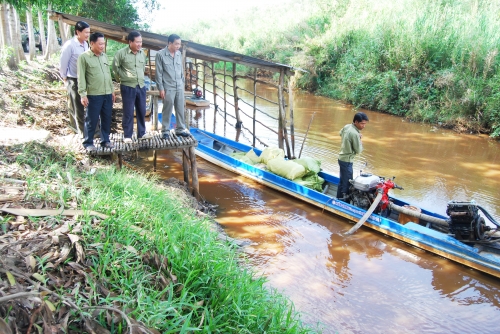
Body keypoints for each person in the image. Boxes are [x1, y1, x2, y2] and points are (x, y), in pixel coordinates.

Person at [77, 32, 115, 151]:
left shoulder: (104, 56)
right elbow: (81, 77)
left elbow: (108, 75)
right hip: (93, 94)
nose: (102, 46)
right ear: (92, 43)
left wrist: (112, 90)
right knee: (92, 119)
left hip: (107, 93)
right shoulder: (84, 57)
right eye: (100, 44)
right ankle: (88, 142)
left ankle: (105, 140)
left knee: (106, 117)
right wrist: (83, 94)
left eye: (103, 43)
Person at [112, 31, 152, 143]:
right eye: (137, 42)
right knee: (128, 111)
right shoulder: (121, 53)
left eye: (141, 42)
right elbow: (115, 69)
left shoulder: (142, 54)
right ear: (130, 42)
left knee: (142, 110)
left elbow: (142, 68)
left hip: (141, 86)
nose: (140, 44)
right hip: (128, 86)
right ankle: (127, 135)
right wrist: (123, 79)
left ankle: (141, 133)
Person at [59, 21, 90, 137]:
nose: (88, 34)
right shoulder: (69, 45)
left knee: (88, 106)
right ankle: (82, 134)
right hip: (74, 79)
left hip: (86, 80)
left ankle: (90, 132)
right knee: (78, 108)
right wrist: (65, 78)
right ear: (78, 32)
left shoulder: (86, 45)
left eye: (89, 32)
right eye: (86, 32)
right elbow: (63, 63)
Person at [155, 34, 190, 139]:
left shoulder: (179, 54)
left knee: (180, 108)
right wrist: (161, 88)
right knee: (167, 109)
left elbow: (181, 70)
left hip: (179, 86)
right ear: (169, 43)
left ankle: (180, 129)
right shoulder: (160, 54)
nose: (178, 46)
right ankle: (165, 131)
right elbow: (158, 73)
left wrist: (182, 83)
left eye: (179, 44)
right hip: (168, 87)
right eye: (176, 44)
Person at [336, 112, 369, 201]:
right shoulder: (354, 134)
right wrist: (360, 141)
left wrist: (356, 137)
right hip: (347, 161)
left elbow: (340, 133)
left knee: (342, 181)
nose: (364, 126)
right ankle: (344, 202)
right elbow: (358, 150)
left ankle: (338, 198)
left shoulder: (347, 126)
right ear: (356, 122)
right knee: (347, 183)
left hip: (341, 158)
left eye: (365, 124)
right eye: (362, 123)